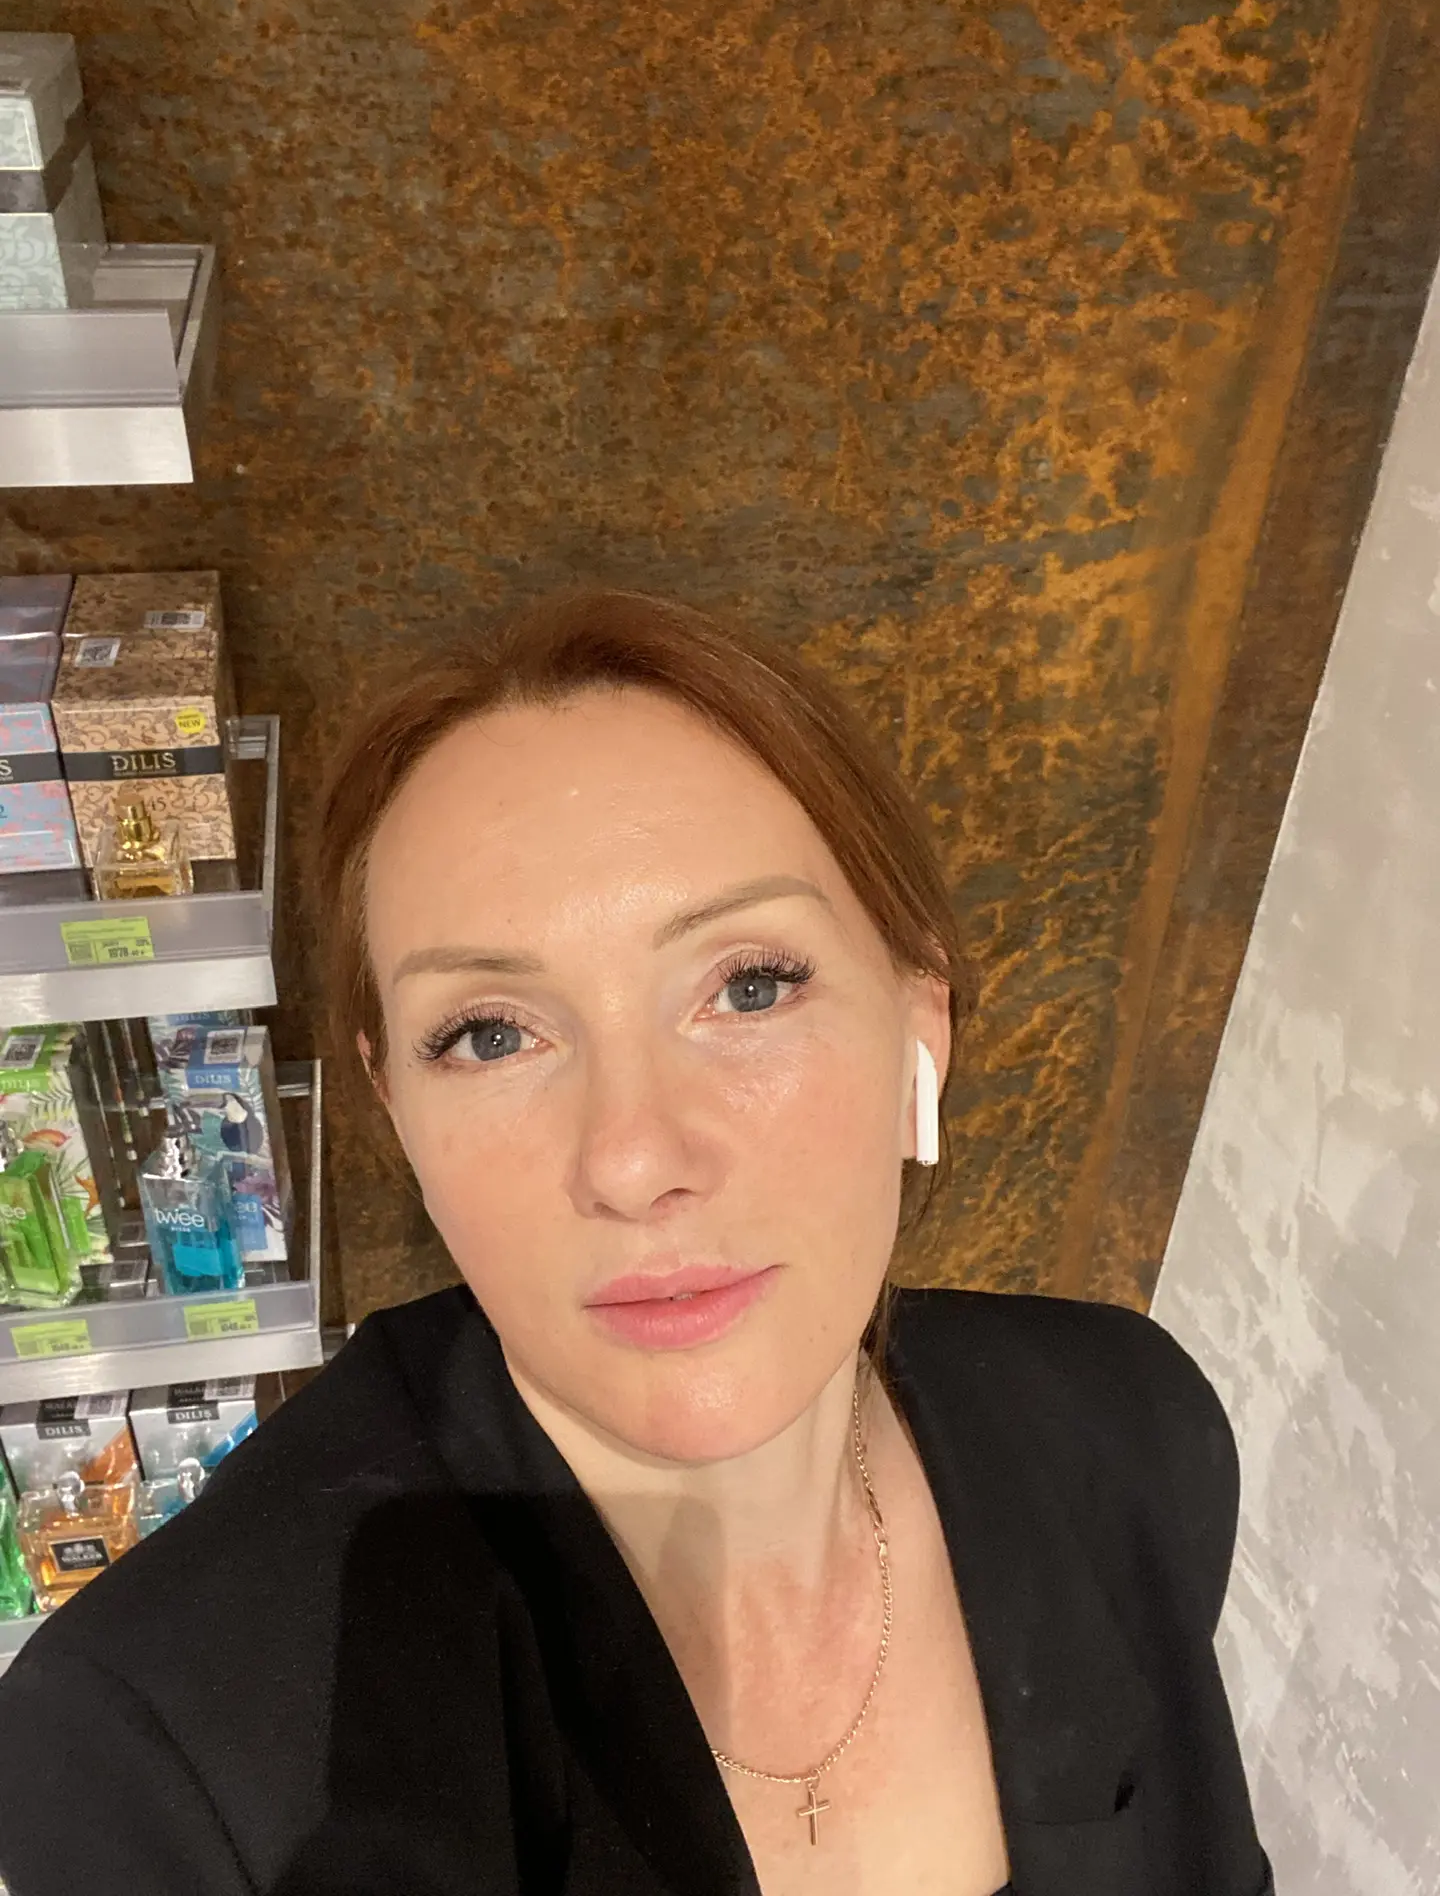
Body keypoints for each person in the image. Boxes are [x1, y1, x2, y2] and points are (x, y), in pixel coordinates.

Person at [0, 592, 1272, 1896]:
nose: (632, 1159)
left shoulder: (1130, 1437)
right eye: (491, 1034)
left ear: (921, 1027)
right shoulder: (159, 1760)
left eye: (750, 986)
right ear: (396, 1111)